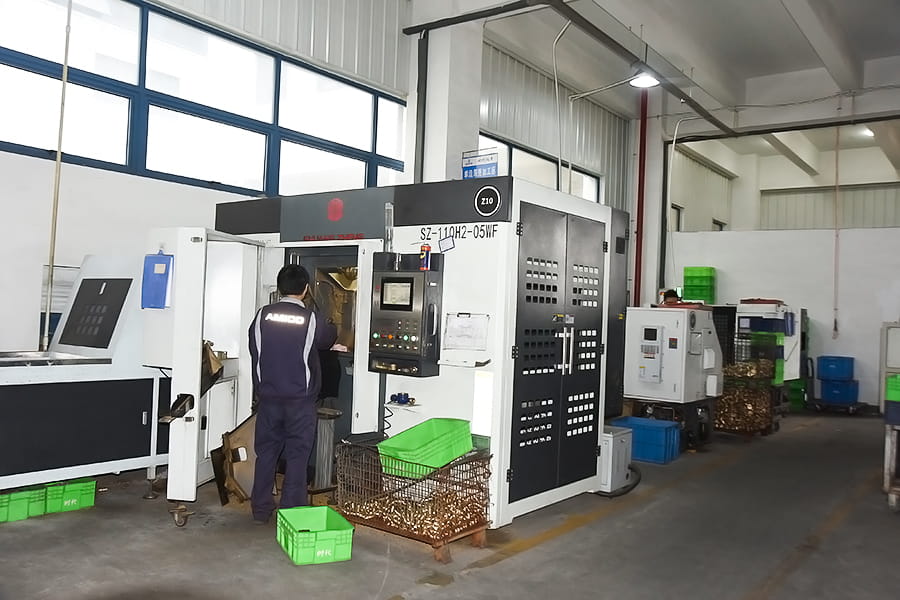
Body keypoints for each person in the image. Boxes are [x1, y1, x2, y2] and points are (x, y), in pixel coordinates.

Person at [248, 264, 337, 523]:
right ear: (306, 289)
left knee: (266, 454)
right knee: (298, 456)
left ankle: (261, 510)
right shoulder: (310, 319)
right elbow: (328, 338)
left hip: (268, 399)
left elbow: (255, 348)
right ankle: (291, 512)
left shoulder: (262, 315)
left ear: (279, 288)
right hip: (300, 402)